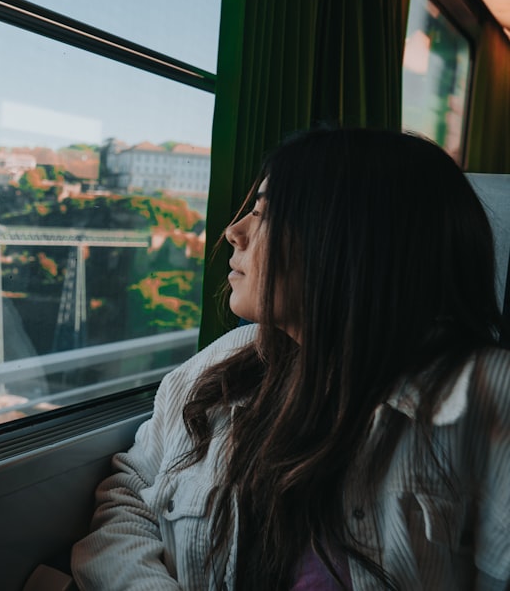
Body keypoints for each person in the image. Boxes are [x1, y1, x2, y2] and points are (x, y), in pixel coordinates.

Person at [71, 128, 510, 590]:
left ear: (350, 241)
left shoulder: (488, 396)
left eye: (264, 214)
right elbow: (132, 499)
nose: (233, 231)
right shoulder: (219, 366)